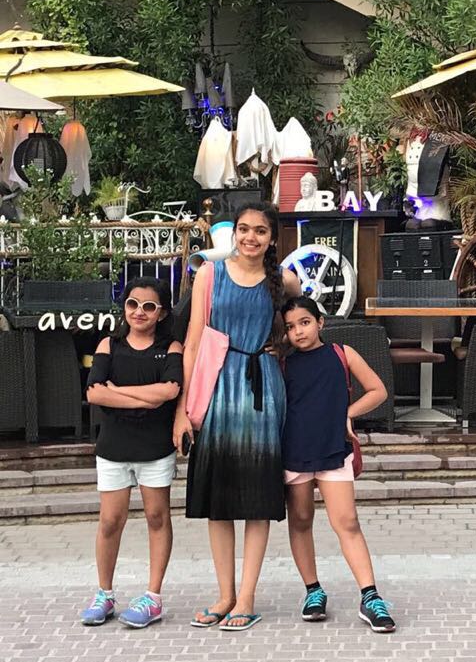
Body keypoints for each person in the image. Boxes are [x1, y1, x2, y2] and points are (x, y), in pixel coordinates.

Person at [173, 202, 301, 632]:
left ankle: (247, 596)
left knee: (257, 496)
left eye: (260, 231)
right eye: (244, 229)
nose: (250, 237)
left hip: (262, 388)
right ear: (233, 233)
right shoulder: (210, 275)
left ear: (272, 238)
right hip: (216, 386)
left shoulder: (281, 279)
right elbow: (193, 342)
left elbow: (301, 317)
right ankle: (225, 594)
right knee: (219, 498)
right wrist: (182, 410)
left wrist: (282, 341)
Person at [280, 297, 396, 632]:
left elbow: (377, 390)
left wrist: (348, 413)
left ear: (320, 322)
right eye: (290, 327)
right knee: (300, 520)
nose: (299, 332)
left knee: (347, 522)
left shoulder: (342, 354)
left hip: (335, 449)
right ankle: (313, 591)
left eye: (305, 322)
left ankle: (370, 596)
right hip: (295, 452)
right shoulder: (283, 364)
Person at [81, 278, 183, 628]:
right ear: (124, 307)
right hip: (113, 446)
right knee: (110, 520)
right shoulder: (108, 344)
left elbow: (170, 391)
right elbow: (94, 393)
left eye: (149, 306)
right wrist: (144, 398)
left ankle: (153, 596)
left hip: (155, 447)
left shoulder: (171, 347)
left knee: (157, 516)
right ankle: (104, 593)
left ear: (162, 313)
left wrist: (120, 392)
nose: (139, 312)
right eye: (132, 304)